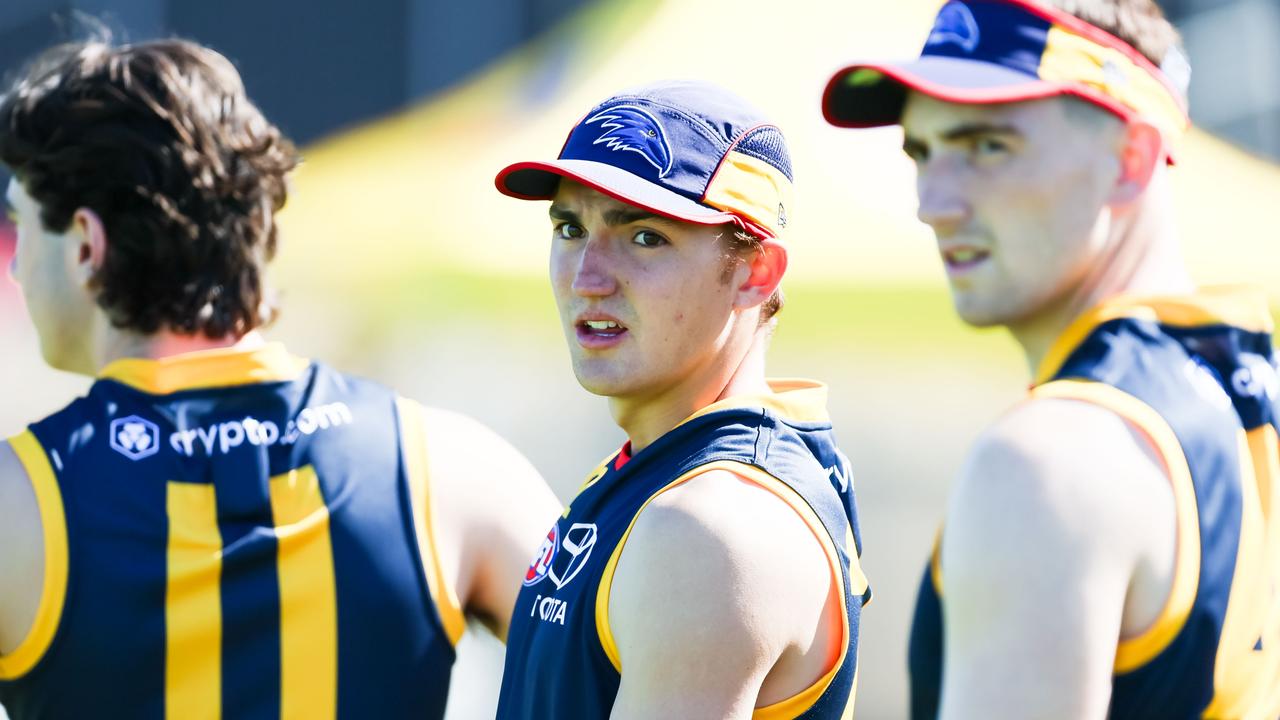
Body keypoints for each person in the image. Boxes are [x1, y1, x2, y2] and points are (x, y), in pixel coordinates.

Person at [0, 38, 560, 719]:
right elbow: (633, 675)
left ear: (86, 246)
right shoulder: (451, 465)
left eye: (21, 225)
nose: (15, 265)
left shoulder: (16, 501)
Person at [822, 0, 1280, 717]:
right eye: (923, 152)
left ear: (1129, 159)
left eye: (986, 147)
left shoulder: (1048, 459)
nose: (932, 203)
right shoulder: (1248, 384)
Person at [490, 79, 870, 719]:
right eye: (569, 227)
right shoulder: (675, 469)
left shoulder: (709, 527)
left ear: (755, 273)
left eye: (644, 237)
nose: (587, 278)